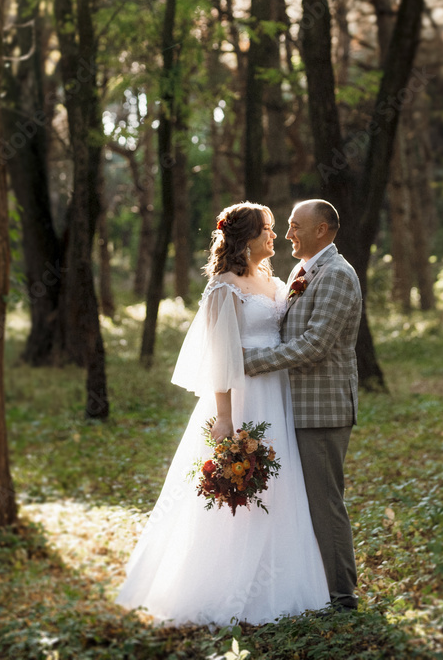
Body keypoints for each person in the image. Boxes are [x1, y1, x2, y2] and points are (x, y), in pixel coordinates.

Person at [115, 202, 330, 626]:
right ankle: (222, 586)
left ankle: (281, 583)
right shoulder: (223, 287)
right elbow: (220, 357)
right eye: (268, 229)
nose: (276, 236)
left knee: (279, 486)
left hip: (278, 393)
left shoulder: (272, 280)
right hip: (243, 397)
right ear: (246, 237)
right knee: (240, 486)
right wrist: (225, 417)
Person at [243, 199, 362, 612]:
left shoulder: (337, 276)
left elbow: (314, 345)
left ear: (323, 230)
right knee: (303, 499)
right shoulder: (301, 270)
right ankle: (313, 586)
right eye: (288, 227)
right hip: (294, 406)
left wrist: (251, 362)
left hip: (323, 409)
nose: (288, 234)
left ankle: (343, 596)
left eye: (295, 226)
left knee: (325, 501)